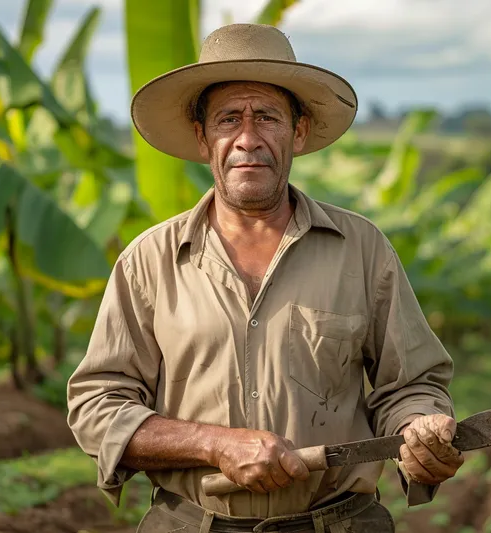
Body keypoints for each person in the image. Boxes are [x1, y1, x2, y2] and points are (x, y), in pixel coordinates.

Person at [66, 23, 464, 533]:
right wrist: (215, 443)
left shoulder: (362, 249)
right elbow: (98, 406)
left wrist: (420, 428)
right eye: (229, 118)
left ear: (297, 132)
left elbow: (411, 384)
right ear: (201, 135)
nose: (247, 139)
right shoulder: (149, 261)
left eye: (267, 118)